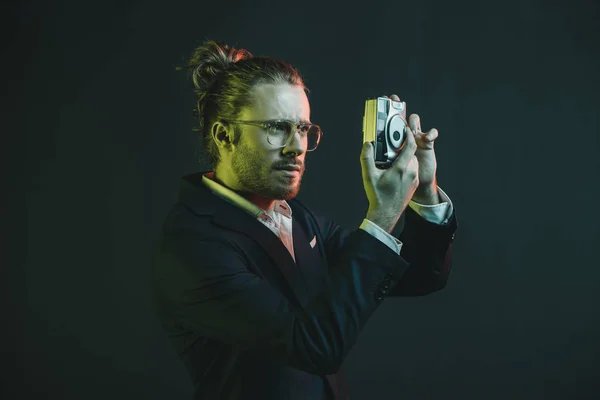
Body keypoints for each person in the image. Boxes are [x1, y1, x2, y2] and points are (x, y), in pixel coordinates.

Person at [152, 40, 458, 400]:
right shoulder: (193, 243)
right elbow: (314, 346)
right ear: (224, 135)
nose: (296, 147)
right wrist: (382, 215)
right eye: (277, 128)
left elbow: (419, 275)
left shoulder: (296, 218)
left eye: (303, 129)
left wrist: (424, 191)